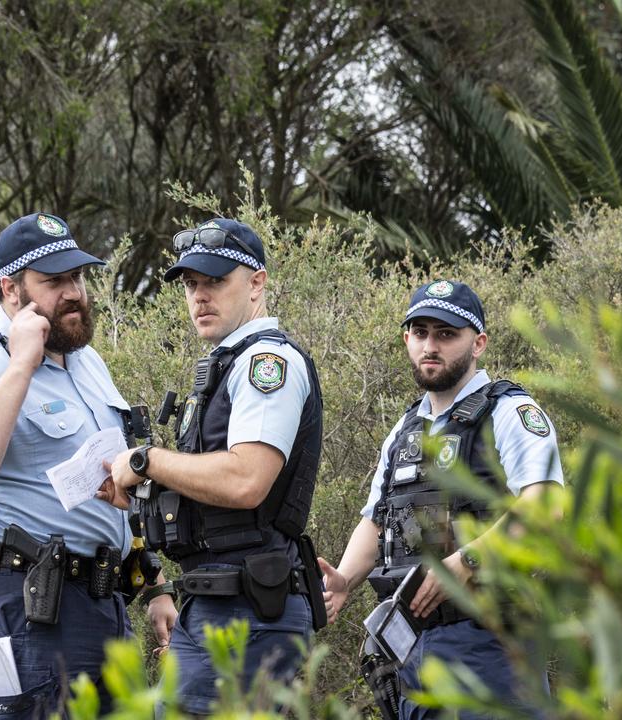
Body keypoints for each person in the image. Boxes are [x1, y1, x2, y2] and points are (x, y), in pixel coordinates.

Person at [0, 212, 176, 719]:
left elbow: (111, 484)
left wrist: (153, 583)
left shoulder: (85, 361)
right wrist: (22, 362)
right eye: (54, 281)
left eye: (78, 277)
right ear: (11, 290)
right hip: (26, 607)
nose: (74, 293)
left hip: (102, 605)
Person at [99, 218, 326, 716]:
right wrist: (144, 492)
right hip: (216, 605)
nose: (200, 296)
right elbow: (216, 498)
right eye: (191, 284)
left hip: (247, 613)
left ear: (257, 283)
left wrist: (148, 460)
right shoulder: (228, 364)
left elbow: (247, 481)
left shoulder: (268, 362)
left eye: (216, 281)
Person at [317, 280, 564, 720]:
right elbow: (378, 520)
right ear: (406, 338)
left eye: (447, 334)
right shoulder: (405, 429)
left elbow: (546, 505)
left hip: (492, 648)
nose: (431, 345)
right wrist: (344, 581)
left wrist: (466, 562)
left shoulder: (509, 412)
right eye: (421, 332)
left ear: (478, 343)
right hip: (412, 653)